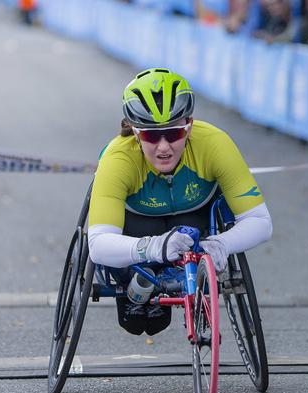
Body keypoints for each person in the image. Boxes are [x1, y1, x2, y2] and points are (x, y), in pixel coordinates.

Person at [87, 68, 272, 336]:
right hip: (135, 233)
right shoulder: (117, 158)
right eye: (151, 136)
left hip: (193, 224)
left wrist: (222, 243)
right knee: (139, 324)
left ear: (190, 125)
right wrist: (154, 247)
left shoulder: (215, 144)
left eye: (174, 134)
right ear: (136, 133)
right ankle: (136, 287)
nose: (164, 147)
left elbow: (260, 221)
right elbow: (98, 244)